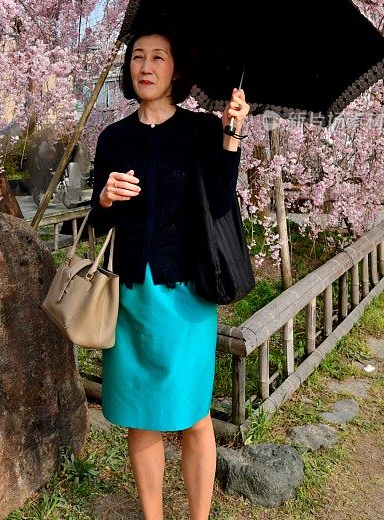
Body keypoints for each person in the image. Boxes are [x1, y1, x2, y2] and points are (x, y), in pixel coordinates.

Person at [89, 27, 249, 520]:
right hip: (132, 294)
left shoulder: (201, 130)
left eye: (158, 57)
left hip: (185, 296)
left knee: (195, 417)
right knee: (141, 418)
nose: (146, 66)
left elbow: (221, 203)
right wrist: (105, 197)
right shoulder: (113, 138)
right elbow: (97, 223)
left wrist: (231, 134)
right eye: (138, 56)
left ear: (175, 69)